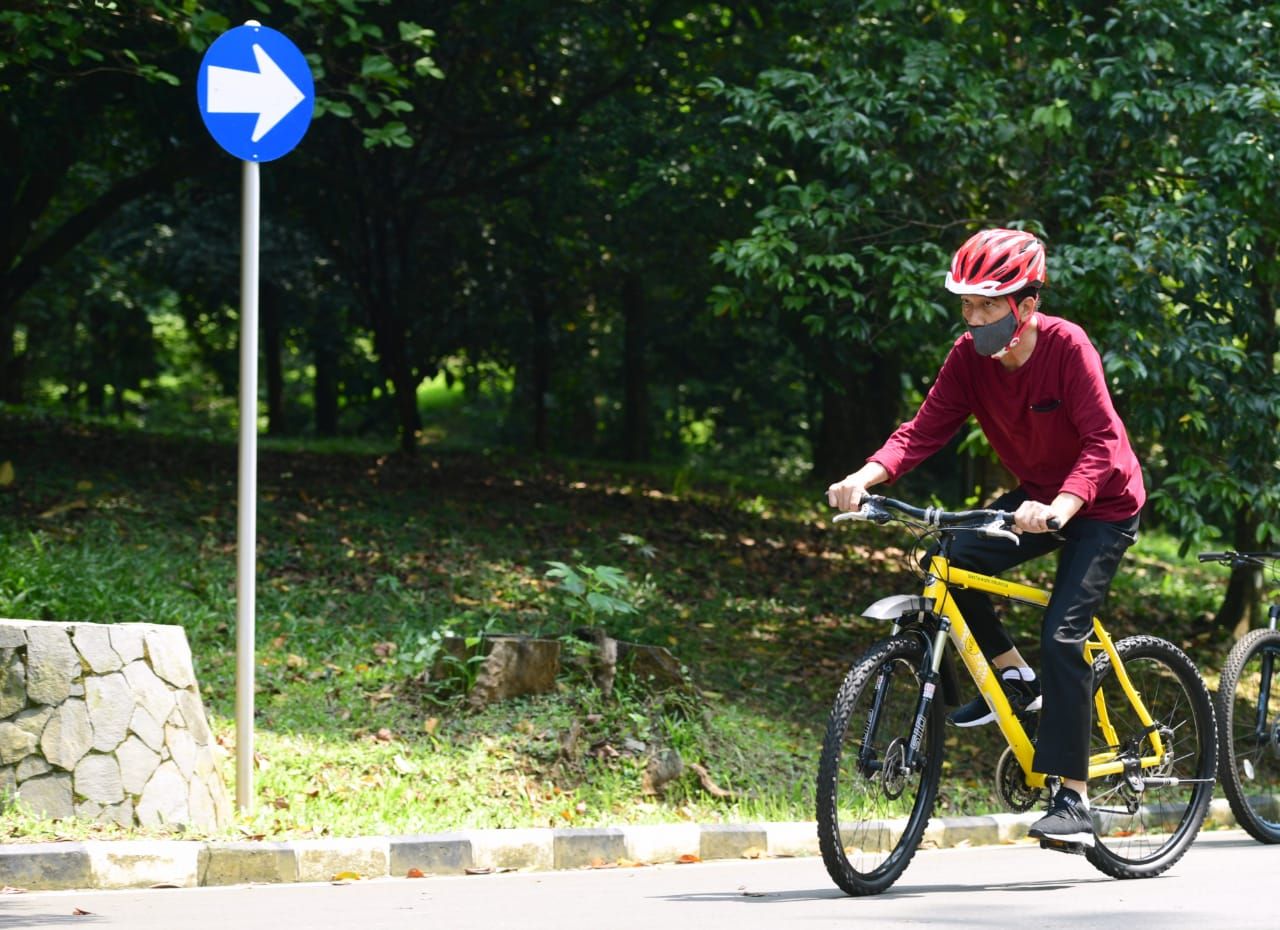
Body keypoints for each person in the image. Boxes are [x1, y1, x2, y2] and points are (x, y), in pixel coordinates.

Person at [826, 227, 1145, 850]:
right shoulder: (969, 358)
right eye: (967, 305)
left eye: (987, 306)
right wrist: (862, 478)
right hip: (1035, 499)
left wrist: (1061, 505)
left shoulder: (1067, 347)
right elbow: (923, 430)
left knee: (1063, 632)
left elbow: (1104, 443)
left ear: (1026, 305)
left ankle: (1073, 799)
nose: (974, 318)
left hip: (1102, 503)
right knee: (942, 557)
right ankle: (1015, 678)